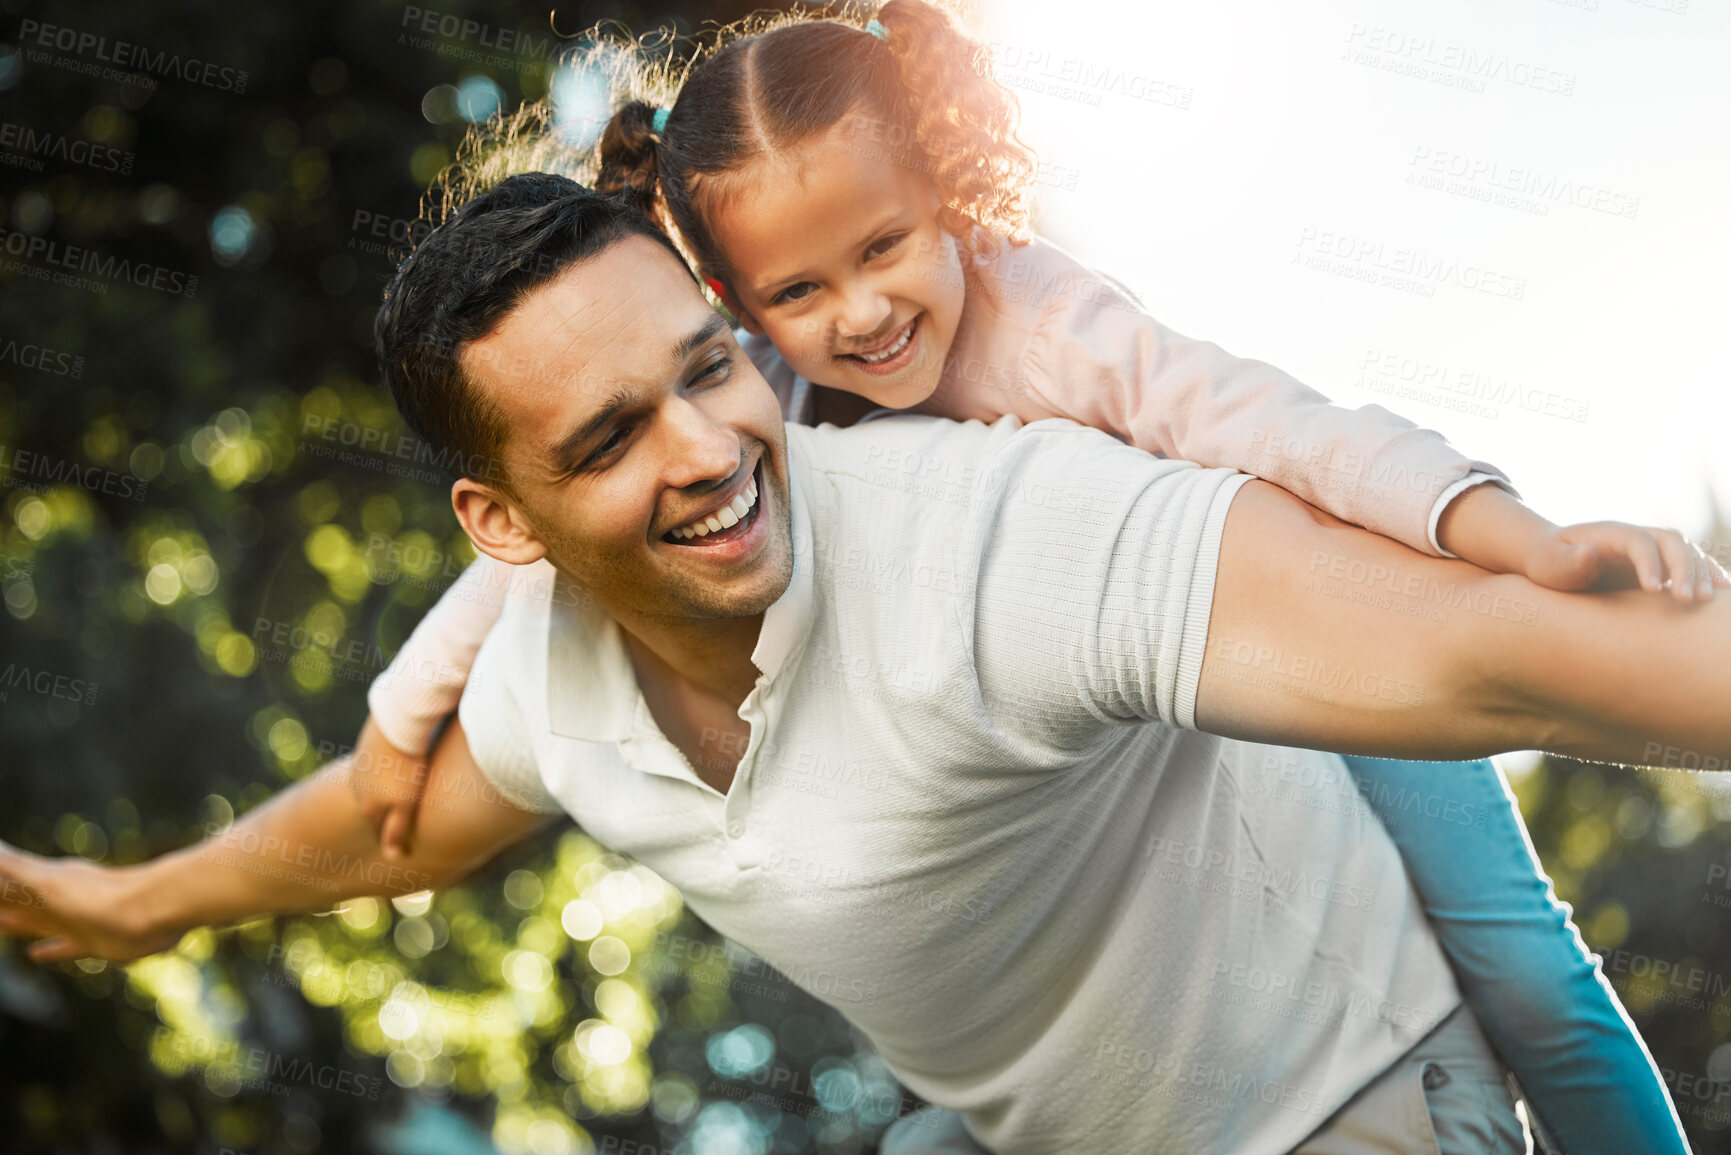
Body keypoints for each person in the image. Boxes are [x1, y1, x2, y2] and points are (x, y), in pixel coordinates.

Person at [4, 178, 1731, 1153]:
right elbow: (376, 832)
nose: (706, 446)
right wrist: (127, 906)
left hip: (1335, 1108)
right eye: (612, 435)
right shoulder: (539, 676)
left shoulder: (996, 535)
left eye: (709, 370)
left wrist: (1516, 541)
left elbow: (1505, 663)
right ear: (502, 523)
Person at [351, 4, 1719, 1149]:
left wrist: (1508, 535)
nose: (863, 314)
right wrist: (403, 716)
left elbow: (1287, 427)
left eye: (886, 249)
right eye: (800, 292)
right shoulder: (750, 384)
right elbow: (542, 558)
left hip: (1333, 620)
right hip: (1131, 788)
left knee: (1521, 962)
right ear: (734, 299)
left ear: (948, 194)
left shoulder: (1051, 329)